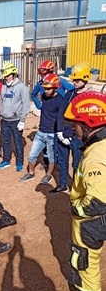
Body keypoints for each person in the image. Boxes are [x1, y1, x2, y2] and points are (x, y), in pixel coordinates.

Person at [60, 91, 106, 291]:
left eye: (77, 125)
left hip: (90, 222)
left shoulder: (95, 156)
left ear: (90, 124)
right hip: (96, 220)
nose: (74, 131)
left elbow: (98, 200)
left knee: (85, 262)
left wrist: (77, 209)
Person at [50, 63, 91, 194]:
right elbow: (61, 113)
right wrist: (60, 131)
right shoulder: (69, 94)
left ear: (85, 79)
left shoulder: (91, 97)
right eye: (73, 79)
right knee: (62, 162)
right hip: (64, 134)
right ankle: (62, 185)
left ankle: (76, 189)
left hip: (79, 137)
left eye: (77, 80)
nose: (74, 82)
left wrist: (78, 134)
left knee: (77, 164)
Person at [20, 74, 63, 184]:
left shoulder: (60, 101)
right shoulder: (44, 96)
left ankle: (48, 175)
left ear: (55, 87)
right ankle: (31, 173)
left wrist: (59, 132)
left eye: (48, 88)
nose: (46, 91)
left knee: (51, 157)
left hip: (51, 134)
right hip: (40, 132)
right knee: (32, 155)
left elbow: (60, 118)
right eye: (45, 88)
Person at [31, 60, 74, 168]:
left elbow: (73, 91)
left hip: (59, 115)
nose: (43, 77)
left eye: (45, 74)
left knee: (58, 140)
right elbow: (33, 94)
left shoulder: (60, 81)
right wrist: (37, 103)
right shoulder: (41, 83)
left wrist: (66, 104)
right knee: (46, 142)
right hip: (47, 116)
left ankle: (58, 163)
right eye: (42, 74)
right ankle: (47, 162)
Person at [0, 62, 30, 172]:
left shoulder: (22, 87)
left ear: (13, 74)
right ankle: (6, 160)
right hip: (5, 120)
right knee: (5, 141)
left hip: (16, 120)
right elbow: (1, 102)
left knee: (18, 142)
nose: (6, 78)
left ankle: (19, 162)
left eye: (8, 75)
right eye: (5, 76)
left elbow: (26, 104)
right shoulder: (3, 87)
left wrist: (22, 120)